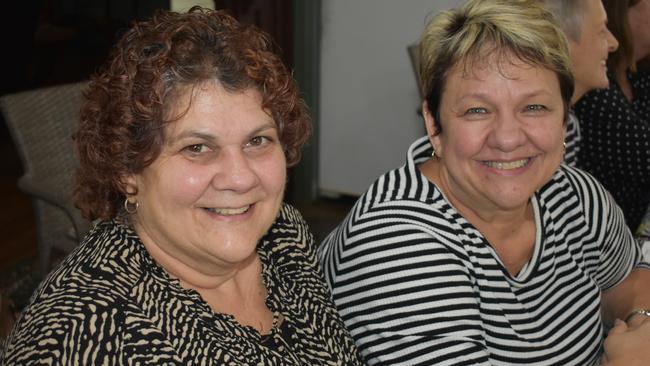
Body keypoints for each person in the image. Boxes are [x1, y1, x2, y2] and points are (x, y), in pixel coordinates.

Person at [0, 7, 364, 365]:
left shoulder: (285, 235)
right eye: (197, 148)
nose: (241, 178)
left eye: (258, 141)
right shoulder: (86, 336)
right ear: (129, 171)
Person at [318, 0, 650, 364]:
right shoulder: (396, 245)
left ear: (564, 117)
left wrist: (639, 318)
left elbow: (629, 279)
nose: (507, 138)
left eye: (534, 107)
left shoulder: (575, 195)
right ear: (434, 124)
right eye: (477, 110)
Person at [572, 0, 650, 232]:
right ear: (623, 12)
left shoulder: (638, 77)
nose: (613, 42)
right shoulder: (594, 92)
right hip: (602, 243)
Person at [542, 0, 619, 167]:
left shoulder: (570, 125)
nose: (614, 43)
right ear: (562, 43)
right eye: (601, 31)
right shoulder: (538, 131)